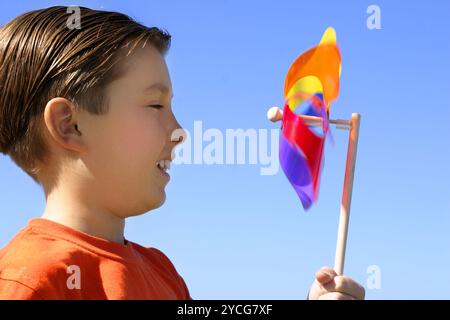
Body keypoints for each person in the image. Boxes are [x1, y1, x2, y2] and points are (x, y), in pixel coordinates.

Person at [0, 6, 364, 300]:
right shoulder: (29, 282)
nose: (180, 131)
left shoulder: (163, 271)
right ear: (70, 125)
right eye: (156, 105)